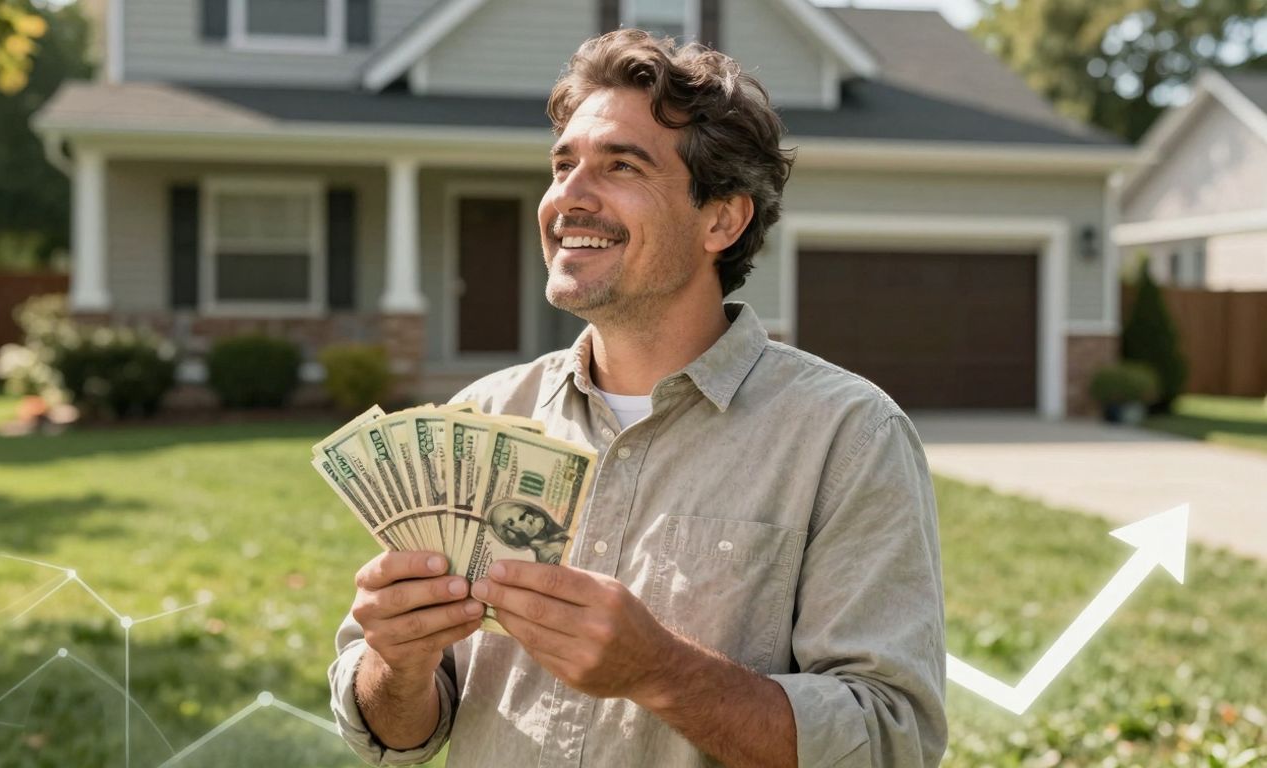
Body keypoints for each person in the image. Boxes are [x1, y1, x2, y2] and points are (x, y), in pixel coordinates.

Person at [329, 29, 947, 767]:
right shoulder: (485, 416)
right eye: (563, 165)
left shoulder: (847, 436)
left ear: (722, 218)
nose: (569, 198)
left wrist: (660, 671)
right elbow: (397, 735)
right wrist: (394, 665)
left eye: (620, 166)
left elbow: (890, 740)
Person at [485, 499, 570, 564]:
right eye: (522, 518)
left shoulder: (557, 537)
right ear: (513, 535)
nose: (530, 517)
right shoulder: (548, 555)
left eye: (528, 511)